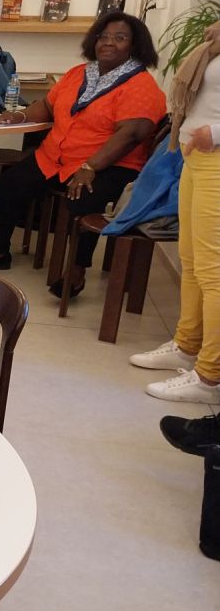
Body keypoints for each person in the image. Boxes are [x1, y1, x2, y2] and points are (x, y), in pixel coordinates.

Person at [0, 12, 167, 299]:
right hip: (56, 157)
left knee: (84, 198)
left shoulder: (141, 85)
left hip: (110, 163)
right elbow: (48, 106)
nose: (109, 43)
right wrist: (19, 115)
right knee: (12, 181)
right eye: (104, 36)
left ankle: (76, 270)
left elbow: (131, 134)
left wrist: (91, 166)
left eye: (120, 38)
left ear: (135, 45)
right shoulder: (79, 73)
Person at [131, 20, 220, 404]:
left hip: (215, 157)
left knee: (214, 270)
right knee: (192, 259)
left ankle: (210, 376)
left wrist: (214, 133)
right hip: (195, 156)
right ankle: (187, 346)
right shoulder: (215, 38)